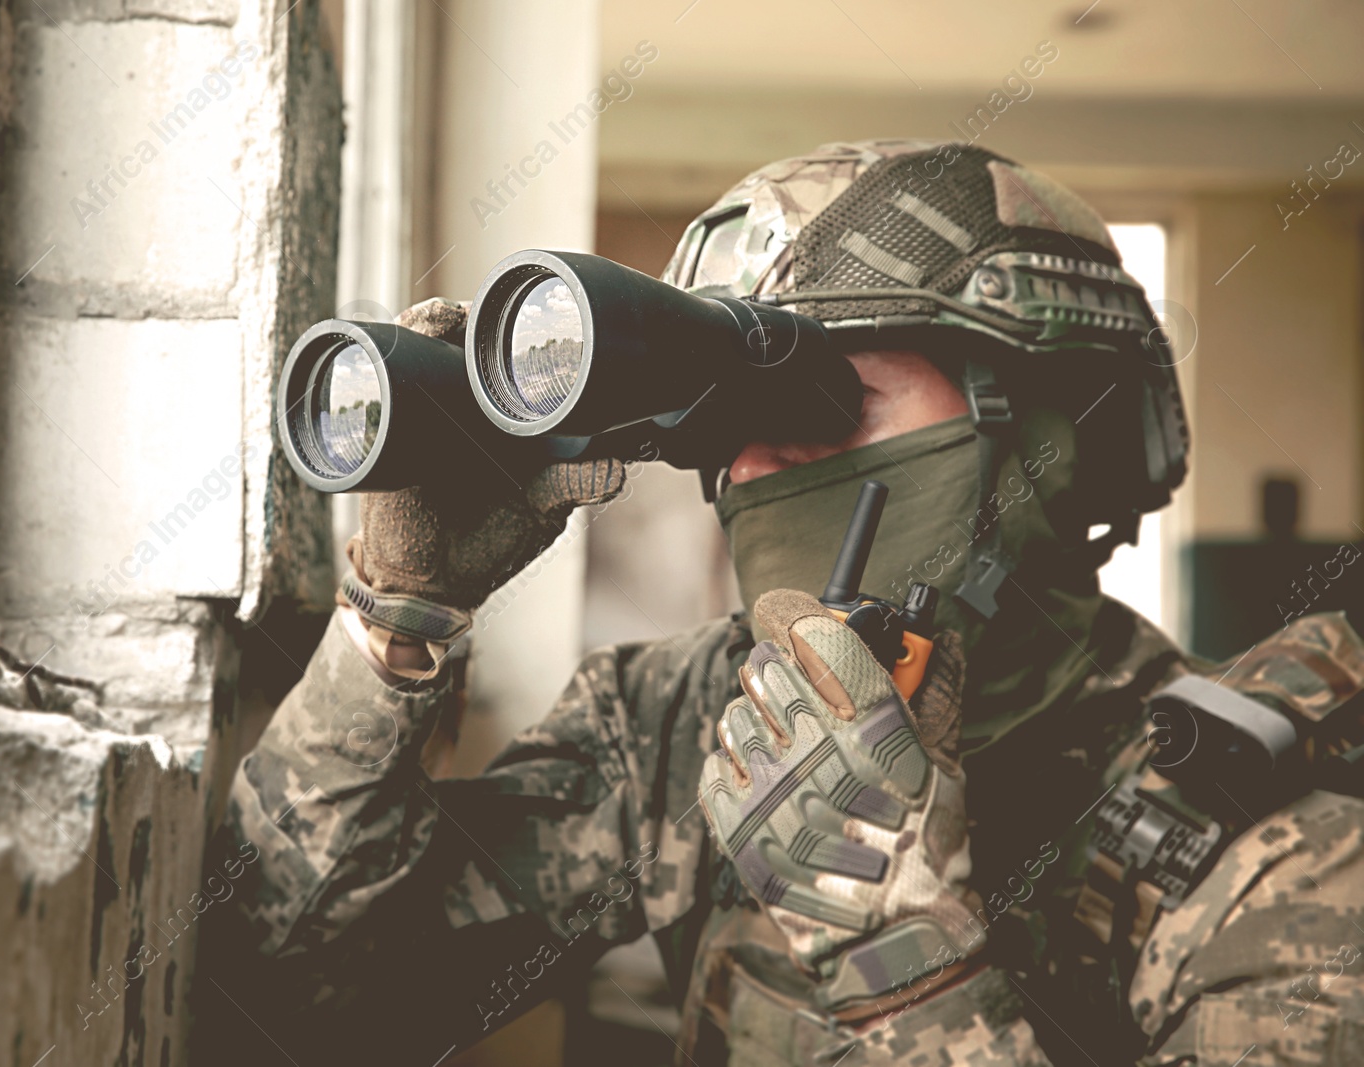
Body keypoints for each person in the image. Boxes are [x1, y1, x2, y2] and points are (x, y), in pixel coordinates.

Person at [193, 141, 1364, 1066]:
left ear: (1055, 441)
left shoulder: (1275, 856)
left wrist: (897, 950)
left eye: (831, 396)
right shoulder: (690, 717)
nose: (756, 469)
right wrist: (396, 624)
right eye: (727, 426)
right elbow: (280, 992)